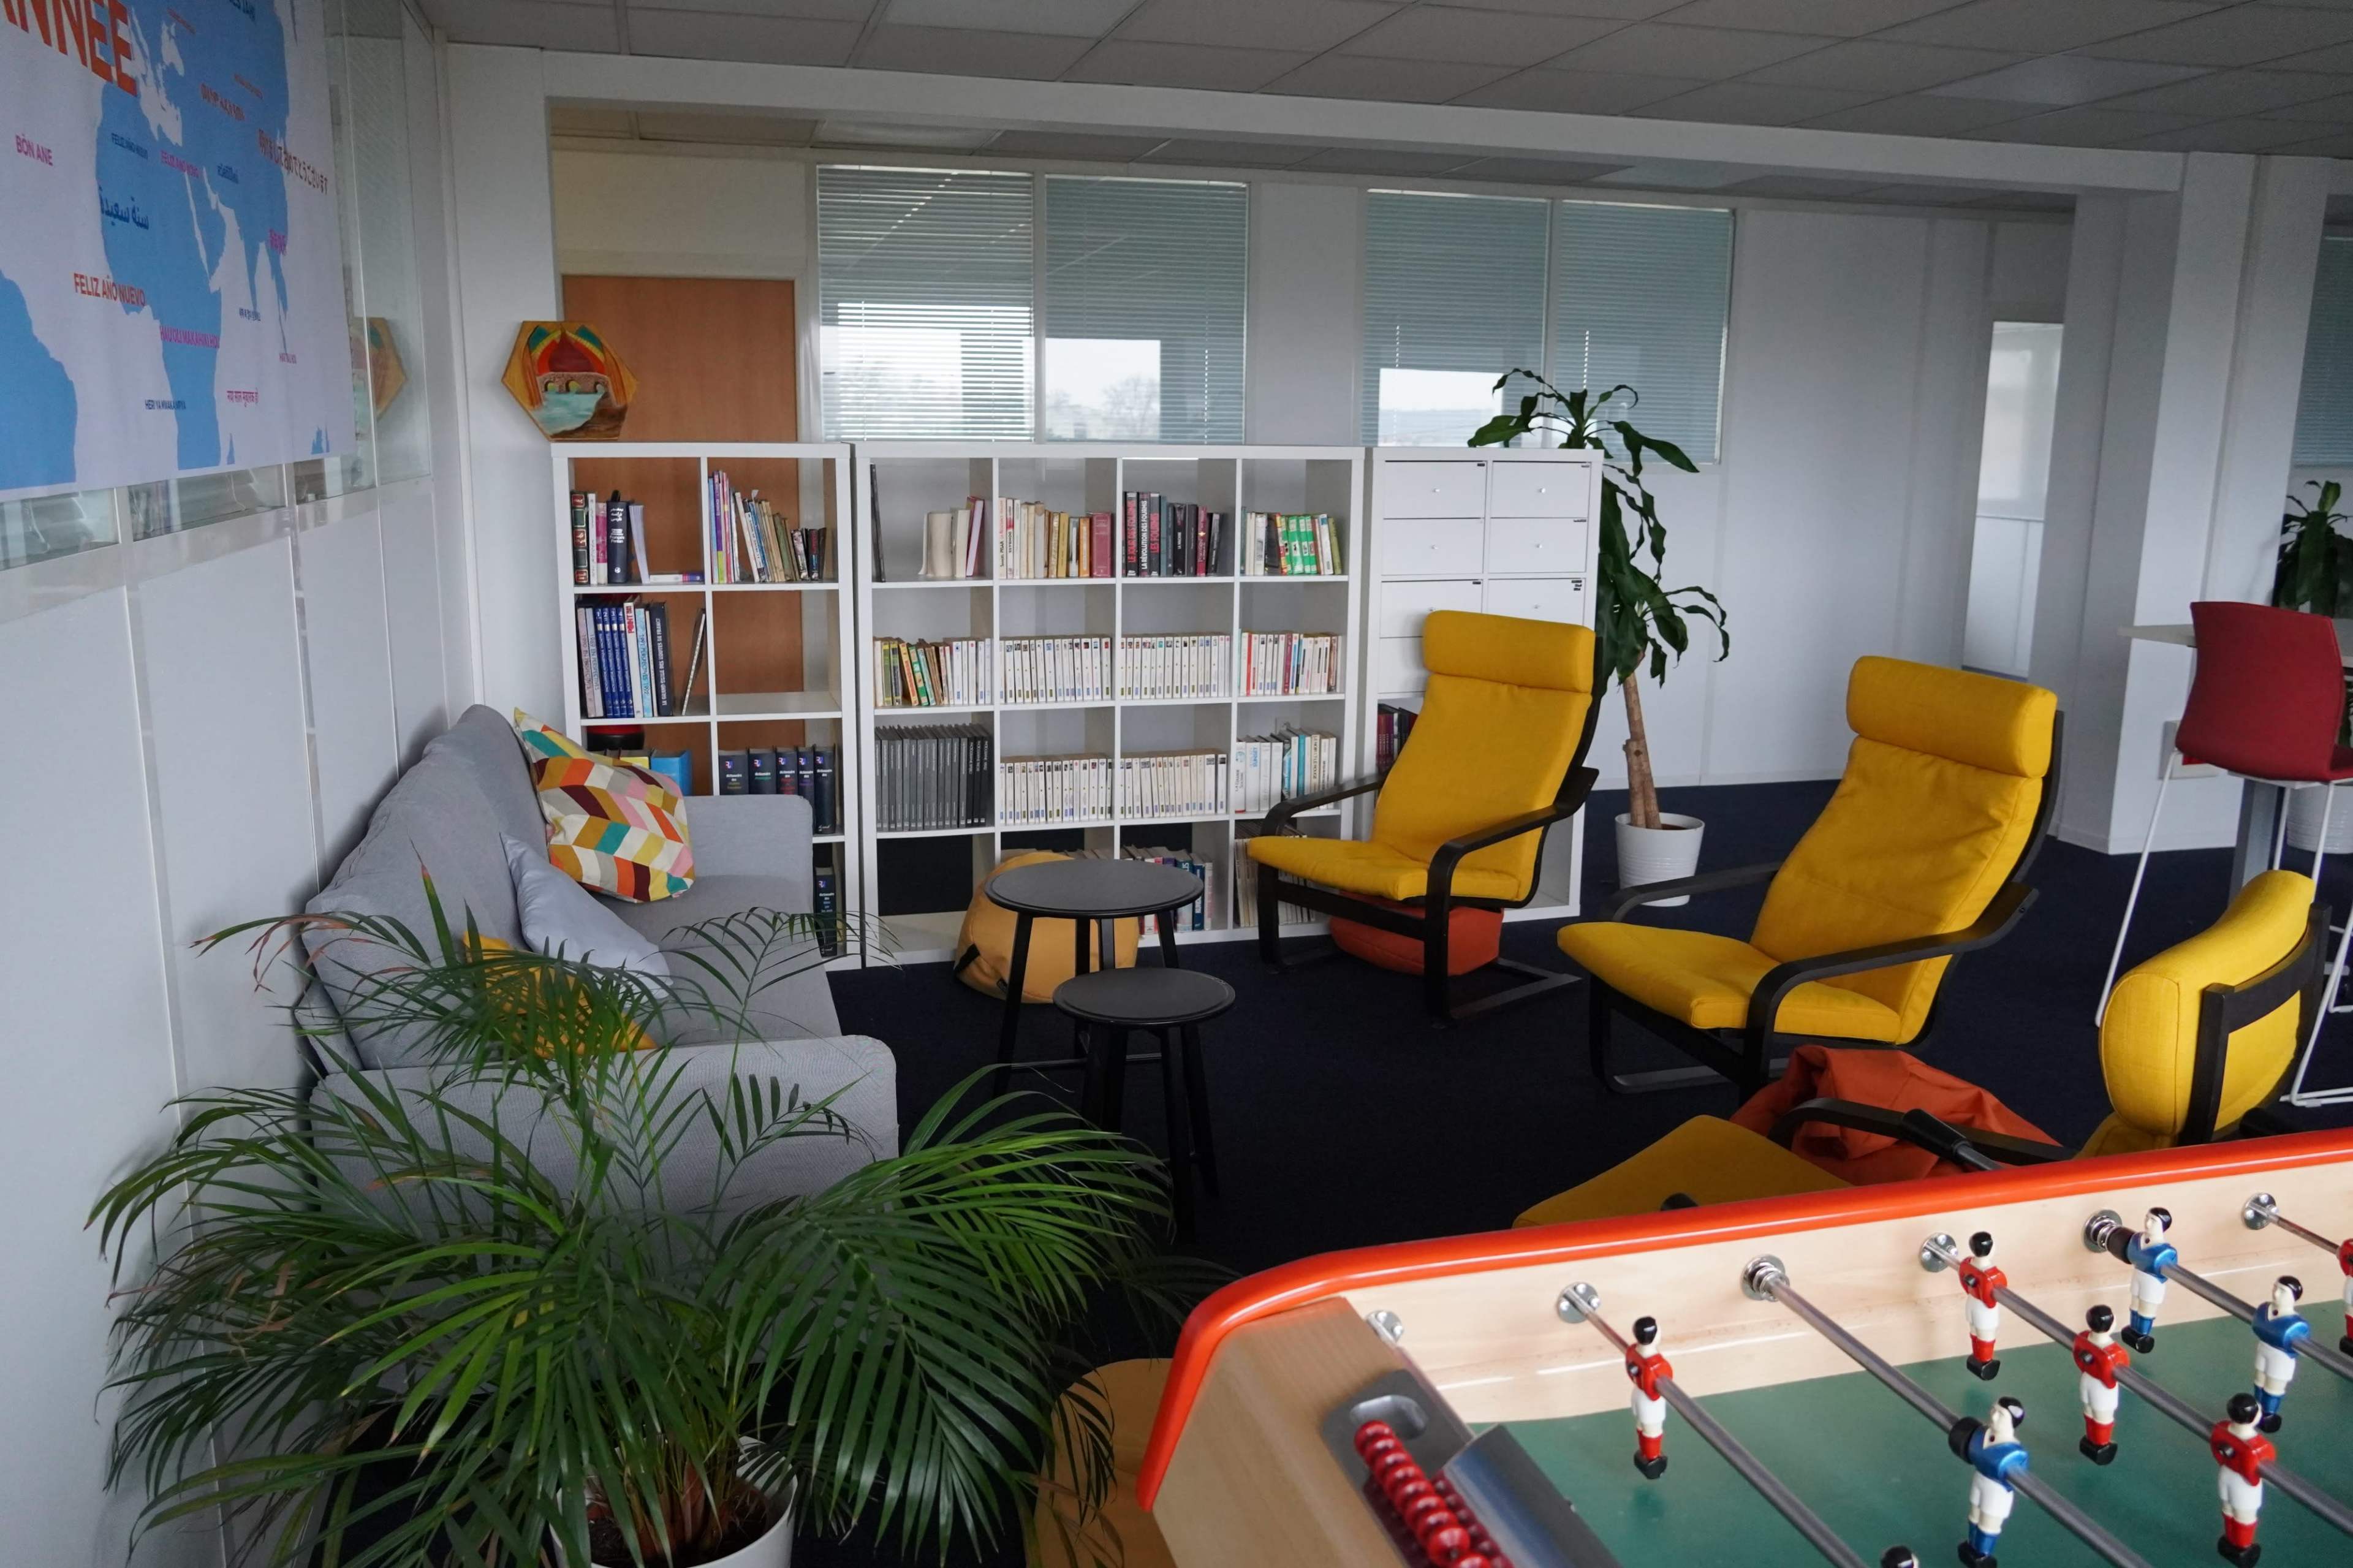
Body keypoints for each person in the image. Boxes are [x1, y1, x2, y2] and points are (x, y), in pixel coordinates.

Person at [1960, 1397, 2028, 1568]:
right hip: (1980, 1480)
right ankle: (1971, 1547)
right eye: (1994, 1410)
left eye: (2001, 1415)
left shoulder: (2016, 1454)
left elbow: (2020, 1482)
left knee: (1988, 1524)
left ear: (2012, 1422)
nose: (1994, 1416)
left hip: (1996, 1492)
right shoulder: (1982, 1433)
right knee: (1974, 1516)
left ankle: (1982, 1555)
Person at [2211, 1392, 2275, 1567]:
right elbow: (2256, 1473)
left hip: (2226, 1475)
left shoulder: (2221, 1428)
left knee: (2228, 1508)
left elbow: (2217, 1451)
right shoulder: (2259, 1447)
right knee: (2244, 1516)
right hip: (2244, 1485)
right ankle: (2242, 1547)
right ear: (2254, 1417)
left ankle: (2229, 1540)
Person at [2249, 1276, 2309, 1434]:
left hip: (2281, 1358)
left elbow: (2302, 1349)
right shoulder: (2264, 1309)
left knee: (2273, 1387)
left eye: (2282, 1291)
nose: (2276, 1294)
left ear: (2294, 1297)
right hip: (2264, 1349)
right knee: (2259, 1381)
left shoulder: (2298, 1325)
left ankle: (2269, 1415)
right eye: (2275, 1288)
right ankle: (2257, 1409)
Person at [2071, 1304, 2130, 1464]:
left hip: (2086, 1381)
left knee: (2089, 1411)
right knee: (2103, 1416)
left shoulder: (2083, 1338)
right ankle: (2101, 1444)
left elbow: (2078, 1357)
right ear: (2111, 1324)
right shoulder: (2115, 1353)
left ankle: (2091, 1440)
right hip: (2102, 1389)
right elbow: (2121, 1373)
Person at [2123, 1206, 2176, 1354]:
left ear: (2163, 1226)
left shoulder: (2168, 1252)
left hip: (2152, 1283)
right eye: (2147, 1218)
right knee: (2134, 1305)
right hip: (2138, 1276)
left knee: (2146, 1309)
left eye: (2153, 1221)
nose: (2147, 1224)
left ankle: (2142, 1335)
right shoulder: (2137, 1239)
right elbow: (2131, 1255)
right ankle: (2133, 1330)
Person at [1625, 1315, 1672, 1480]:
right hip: (1650, 1402)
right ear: (1654, 1335)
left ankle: (1644, 1453)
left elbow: (1630, 1371)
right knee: (1653, 1431)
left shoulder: (1632, 1351)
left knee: (1641, 1424)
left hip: (1637, 1394)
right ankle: (1653, 1459)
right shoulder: (1658, 1364)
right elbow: (1661, 1388)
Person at [1958, 1231, 2006, 1379]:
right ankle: (1985, 1361)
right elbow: (1992, 1299)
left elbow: (1963, 1280)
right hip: (1984, 1310)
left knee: (1974, 1331)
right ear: (1991, 1249)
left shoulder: (1967, 1264)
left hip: (1971, 1303)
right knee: (1986, 1335)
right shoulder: (1993, 1275)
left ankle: (1976, 1356)